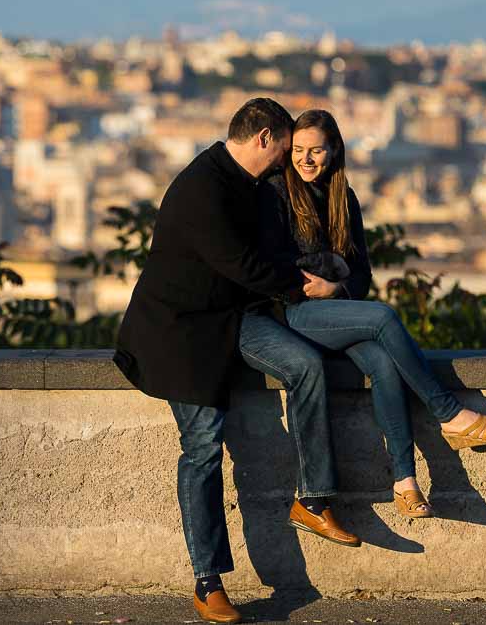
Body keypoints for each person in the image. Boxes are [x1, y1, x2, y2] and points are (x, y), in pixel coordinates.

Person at [113, 99, 359, 625]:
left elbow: (265, 255)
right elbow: (240, 263)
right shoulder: (203, 187)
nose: (288, 160)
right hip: (179, 334)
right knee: (203, 447)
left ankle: (313, 498)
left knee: (306, 365)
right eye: (285, 149)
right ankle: (208, 582)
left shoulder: (248, 185)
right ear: (265, 138)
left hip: (231, 318)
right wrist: (303, 288)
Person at [257, 109, 486, 519]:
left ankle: (405, 482)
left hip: (336, 311)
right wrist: (329, 271)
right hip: (293, 314)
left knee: (382, 362)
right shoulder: (277, 193)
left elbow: (361, 275)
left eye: (316, 150)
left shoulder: (345, 198)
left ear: (334, 150)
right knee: (382, 318)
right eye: (299, 151)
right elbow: (283, 265)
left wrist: (336, 283)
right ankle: (449, 414)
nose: (306, 159)